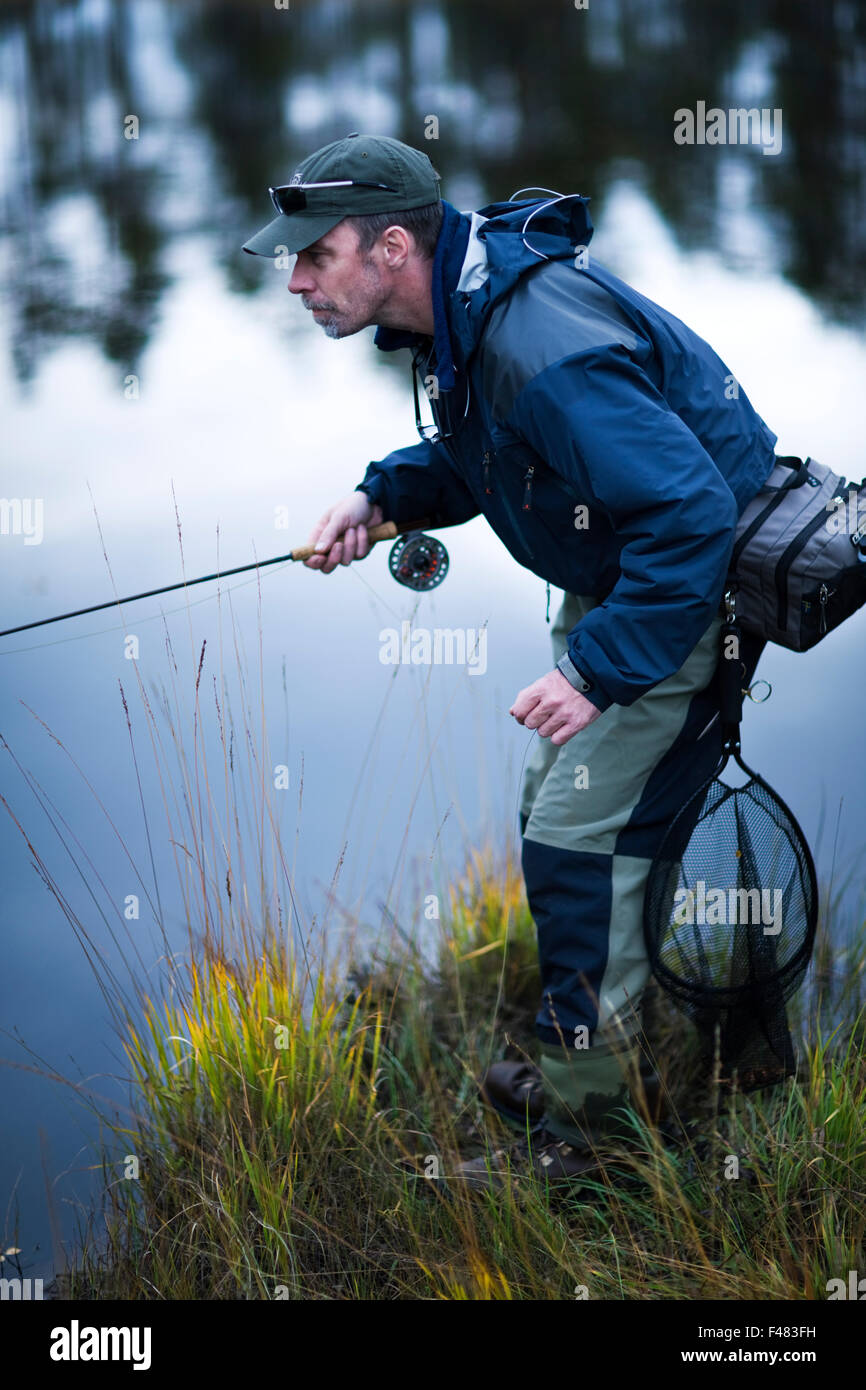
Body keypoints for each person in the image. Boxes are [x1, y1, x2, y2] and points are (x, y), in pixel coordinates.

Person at [242, 132, 772, 1189]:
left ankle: (598, 1151)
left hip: (676, 589)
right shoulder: (467, 306)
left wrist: (591, 670)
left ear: (391, 247)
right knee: (563, 816)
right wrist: (384, 495)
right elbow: (492, 447)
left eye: (315, 255)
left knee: (580, 841)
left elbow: (689, 512)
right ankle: (590, 1059)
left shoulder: (537, 340)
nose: (294, 278)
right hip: (625, 575)